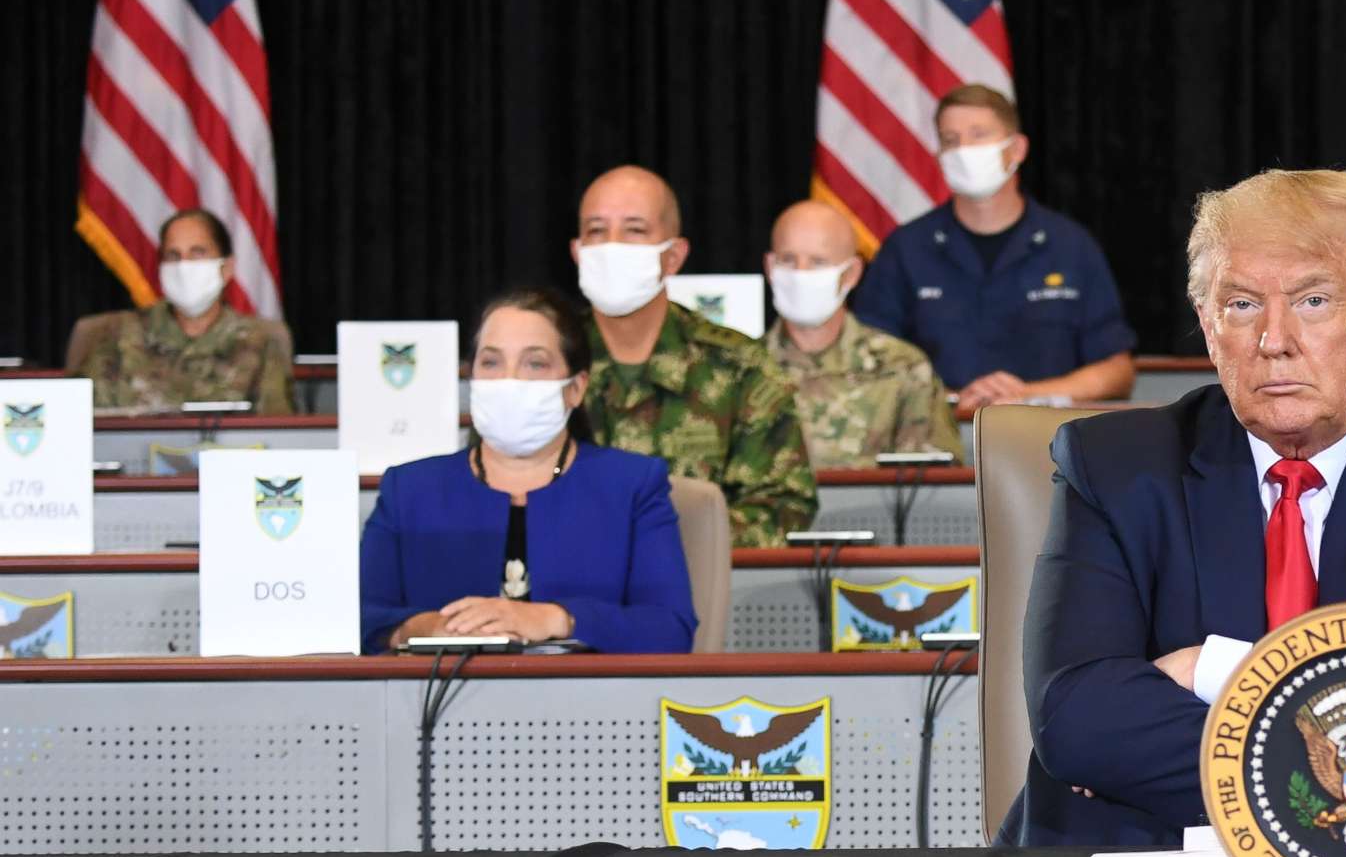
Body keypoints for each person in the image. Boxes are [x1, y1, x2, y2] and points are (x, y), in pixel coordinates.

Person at [1001, 168, 1346, 848]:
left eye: (1313, 300)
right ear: (1208, 329)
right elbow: (1077, 719)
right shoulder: (1114, 466)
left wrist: (1211, 667)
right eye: (1241, 305)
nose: (1274, 338)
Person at [362, 287, 696, 654]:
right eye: (491, 363)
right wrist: (419, 627)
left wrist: (556, 619)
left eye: (534, 363)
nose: (510, 380)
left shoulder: (632, 486)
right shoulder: (410, 489)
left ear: (576, 388)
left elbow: (669, 628)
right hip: (437, 705)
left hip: (589, 707)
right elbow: (360, 620)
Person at [851, 85, 1135, 420]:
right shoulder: (905, 250)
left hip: (1047, 442)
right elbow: (868, 369)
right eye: (951, 140)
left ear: (1016, 149)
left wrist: (1024, 396)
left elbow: (1117, 371)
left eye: (978, 135)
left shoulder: (1071, 246)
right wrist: (956, 399)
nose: (963, 150)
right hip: (936, 440)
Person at [570, 164, 814, 545]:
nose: (612, 244)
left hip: (698, 592)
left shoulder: (738, 366)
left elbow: (782, 506)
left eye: (634, 230)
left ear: (674, 256)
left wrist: (664, 548)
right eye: (596, 231)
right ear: (577, 251)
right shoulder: (547, 363)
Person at [761, 200, 947, 464]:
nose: (801, 274)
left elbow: (931, 488)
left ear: (851, 273)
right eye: (789, 260)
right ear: (770, 267)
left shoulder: (904, 368)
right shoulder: (738, 369)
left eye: (817, 262)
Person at [68, 209, 293, 413]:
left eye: (197, 253)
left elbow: (275, 434)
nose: (184, 266)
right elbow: (88, 428)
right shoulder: (115, 336)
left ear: (226, 268)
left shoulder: (260, 342)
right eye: (173, 256)